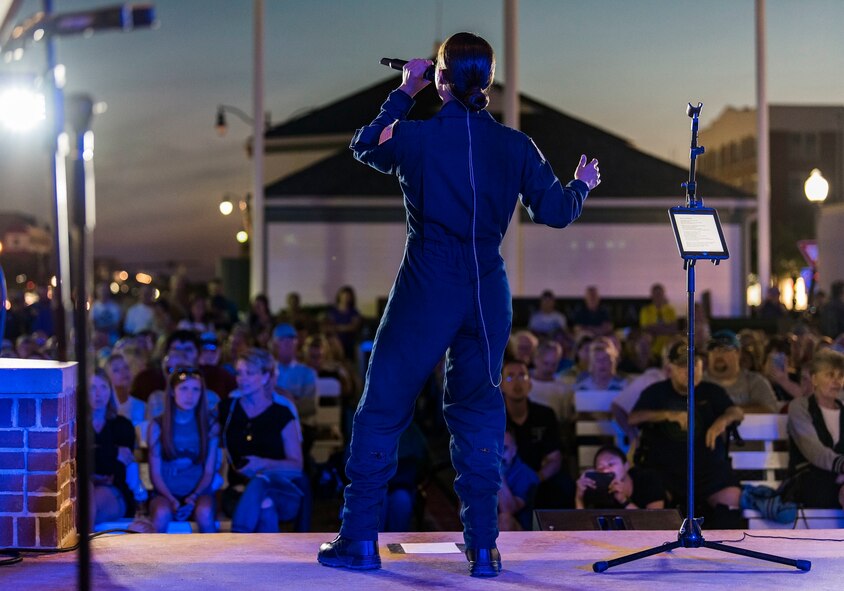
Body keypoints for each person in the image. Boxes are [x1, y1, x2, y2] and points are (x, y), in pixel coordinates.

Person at [317, 32, 600, 578]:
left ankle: (357, 540)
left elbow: (364, 143)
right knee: (478, 413)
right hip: (486, 286)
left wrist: (405, 91)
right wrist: (581, 185)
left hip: (428, 281)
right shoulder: (517, 146)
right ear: (488, 83)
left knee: (383, 408)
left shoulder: (417, 139)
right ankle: (485, 548)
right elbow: (558, 213)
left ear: (441, 80)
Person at [630, 340, 743, 511]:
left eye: (695, 364)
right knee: (652, 494)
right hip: (665, 472)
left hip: (708, 472)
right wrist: (667, 415)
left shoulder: (711, 391)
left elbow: (736, 412)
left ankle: (721, 538)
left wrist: (723, 420)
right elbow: (634, 418)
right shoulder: (656, 391)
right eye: (683, 366)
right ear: (671, 369)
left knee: (731, 497)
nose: (690, 371)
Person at [222, 348, 304, 533]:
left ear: (266, 376)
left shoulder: (281, 414)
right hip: (238, 491)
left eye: (249, 373)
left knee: (261, 483)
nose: (242, 379)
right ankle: (267, 560)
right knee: (265, 506)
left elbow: (297, 466)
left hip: (280, 489)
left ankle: (237, 542)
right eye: (239, 373)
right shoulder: (228, 409)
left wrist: (263, 464)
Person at [147, 367, 220, 533]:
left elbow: (209, 471)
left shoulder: (210, 425)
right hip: (165, 494)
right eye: (184, 388)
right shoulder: (158, 425)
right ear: (173, 391)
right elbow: (155, 474)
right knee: (161, 513)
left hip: (199, 493)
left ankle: (214, 558)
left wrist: (193, 497)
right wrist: (172, 500)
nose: (190, 395)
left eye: (196, 389)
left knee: (205, 512)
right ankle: (155, 558)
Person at [785, 348, 844, 508]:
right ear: (814, 379)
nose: (837, 381)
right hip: (809, 478)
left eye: (840, 376)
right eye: (830, 375)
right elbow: (813, 450)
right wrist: (840, 465)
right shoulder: (800, 407)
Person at [89, 369, 136, 525]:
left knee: (89, 505)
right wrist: (114, 451)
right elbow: (73, 460)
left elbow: (118, 466)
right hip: (81, 488)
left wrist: (93, 452)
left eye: (103, 387)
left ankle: (83, 548)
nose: (98, 393)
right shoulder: (73, 425)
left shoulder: (123, 425)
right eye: (92, 388)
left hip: (115, 489)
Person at [704, 330, 779, 413]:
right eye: (713, 350)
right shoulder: (697, 382)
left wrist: (730, 412)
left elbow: (771, 409)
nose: (718, 354)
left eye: (724, 350)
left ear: (738, 353)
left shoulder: (754, 381)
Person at [575, 445, 665, 510]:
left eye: (611, 464)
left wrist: (624, 500)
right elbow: (584, 529)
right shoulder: (599, 489)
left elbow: (654, 522)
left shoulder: (648, 479)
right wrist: (579, 498)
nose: (606, 469)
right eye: (600, 467)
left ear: (626, 466)